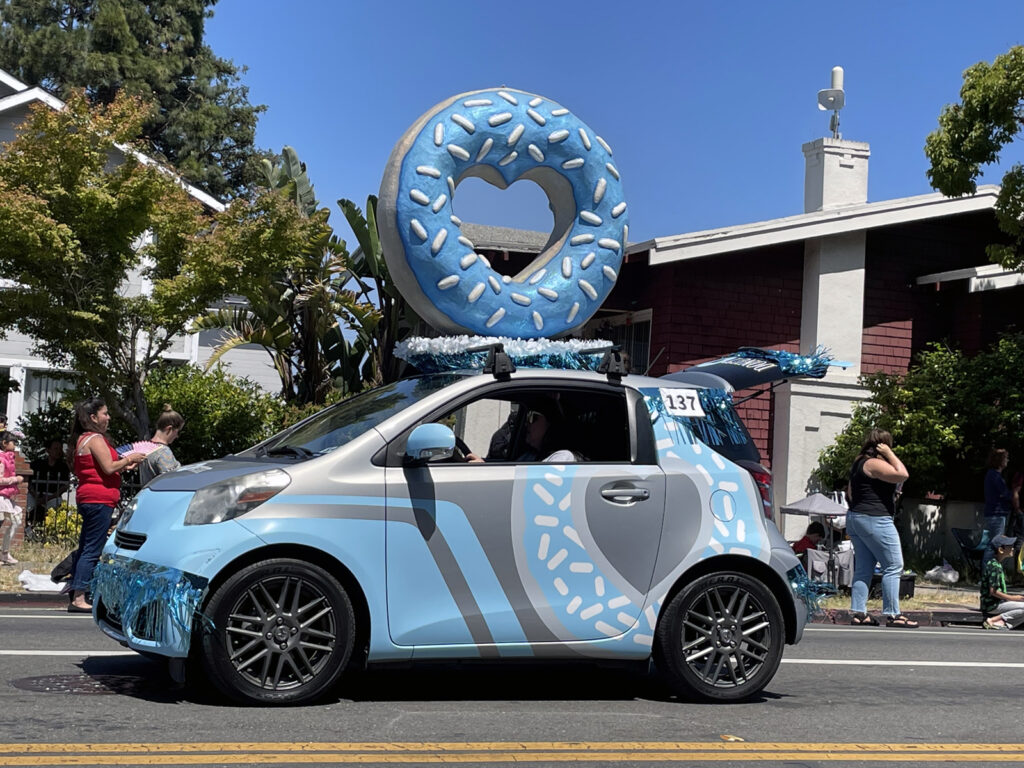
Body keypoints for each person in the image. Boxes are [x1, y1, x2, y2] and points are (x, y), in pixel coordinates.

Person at [67, 397, 145, 613]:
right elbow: (109, 467)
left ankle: (76, 591)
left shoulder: (82, 439)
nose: (108, 418)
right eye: (105, 413)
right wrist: (130, 459)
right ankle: (79, 597)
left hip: (89, 497)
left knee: (85, 547)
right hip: (99, 499)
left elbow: (101, 469)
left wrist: (123, 466)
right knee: (92, 549)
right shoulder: (95, 438)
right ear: (93, 417)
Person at [846, 429, 917, 628]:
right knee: (894, 566)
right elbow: (903, 473)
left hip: (855, 517)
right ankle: (893, 614)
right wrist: (889, 454)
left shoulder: (858, 463)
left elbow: (850, 493)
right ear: (883, 445)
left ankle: (859, 613)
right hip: (875, 519)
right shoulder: (874, 463)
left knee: (863, 568)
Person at [979, 534, 1024, 630]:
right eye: (1010, 546)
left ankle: (1003, 623)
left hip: (997, 603)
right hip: (992, 605)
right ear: (1001, 550)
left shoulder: (996, 564)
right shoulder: (994, 567)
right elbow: (993, 591)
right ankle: (993, 620)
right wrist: (1012, 598)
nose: (1012, 549)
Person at [138, 405, 185, 485]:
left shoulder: (145, 448)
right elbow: (171, 482)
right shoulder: (163, 452)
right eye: (178, 432)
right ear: (169, 429)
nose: (177, 436)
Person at [983, 449, 1013, 564]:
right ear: (999, 460)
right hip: (996, 514)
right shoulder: (994, 476)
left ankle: (989, 573)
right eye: (1005, 458)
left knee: (994, 543)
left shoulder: (993, 475)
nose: (1007, 460)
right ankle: (987, 574)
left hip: (995, 513)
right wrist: (1014, 494)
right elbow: (1006, 494)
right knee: (995, 544)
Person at [27, 438, 71, 516]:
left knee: (56, 506)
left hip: (53, 496)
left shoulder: (63, 467)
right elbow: (28, 481)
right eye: (55, 449)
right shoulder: (37, 464)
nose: (58, 451)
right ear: (48, 450)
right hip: (35, 495)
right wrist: (35, 495)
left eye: (60, 449)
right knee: (27, 505)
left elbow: (64, 486)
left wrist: (49, 497)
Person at [0, 431, 25, 565]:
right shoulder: (1, 459)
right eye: (13, 442)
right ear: (4, 443)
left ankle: (5, 552)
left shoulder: (9, 458)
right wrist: (15, 479)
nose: (15, 445)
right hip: (0, 497)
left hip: (6, 496)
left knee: (17, 519)